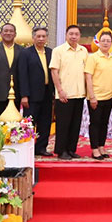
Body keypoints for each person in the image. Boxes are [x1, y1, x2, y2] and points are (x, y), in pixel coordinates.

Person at [49, 24, 89, 160]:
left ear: (80, 36)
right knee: (63, 124)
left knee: (75, 124)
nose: (73, 36)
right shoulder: (58, 51)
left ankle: (72, 149)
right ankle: (61, 151)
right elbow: (54, 71)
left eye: (76, 34)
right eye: (71, 34)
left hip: (80, 93)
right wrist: (59, 90)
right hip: (65, 93)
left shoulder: (84, 51)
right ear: (66, 35)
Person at [18, 27, 54, 156]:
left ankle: (41, 147)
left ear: (47, 38)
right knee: (30, 122)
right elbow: (22, 75)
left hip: (47, 92)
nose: (41, 39)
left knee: (45, 122)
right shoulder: (26, 53)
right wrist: (24, 95)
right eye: (38, 36)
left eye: (43, 36)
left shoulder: (50, 52)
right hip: (32, 94)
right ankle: (28, 148)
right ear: (33, 38)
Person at [84, 31, 112, 159]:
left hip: (109, 96)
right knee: (95, 123)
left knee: (104, 123)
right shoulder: (93, 57)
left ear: (111, 43)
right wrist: (92, 96)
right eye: (103, 40)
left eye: (108, 41)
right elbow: (88, 77)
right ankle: (94, 148)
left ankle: (101, 146)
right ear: (98, 42)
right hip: (96, 96)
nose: (105, 43)